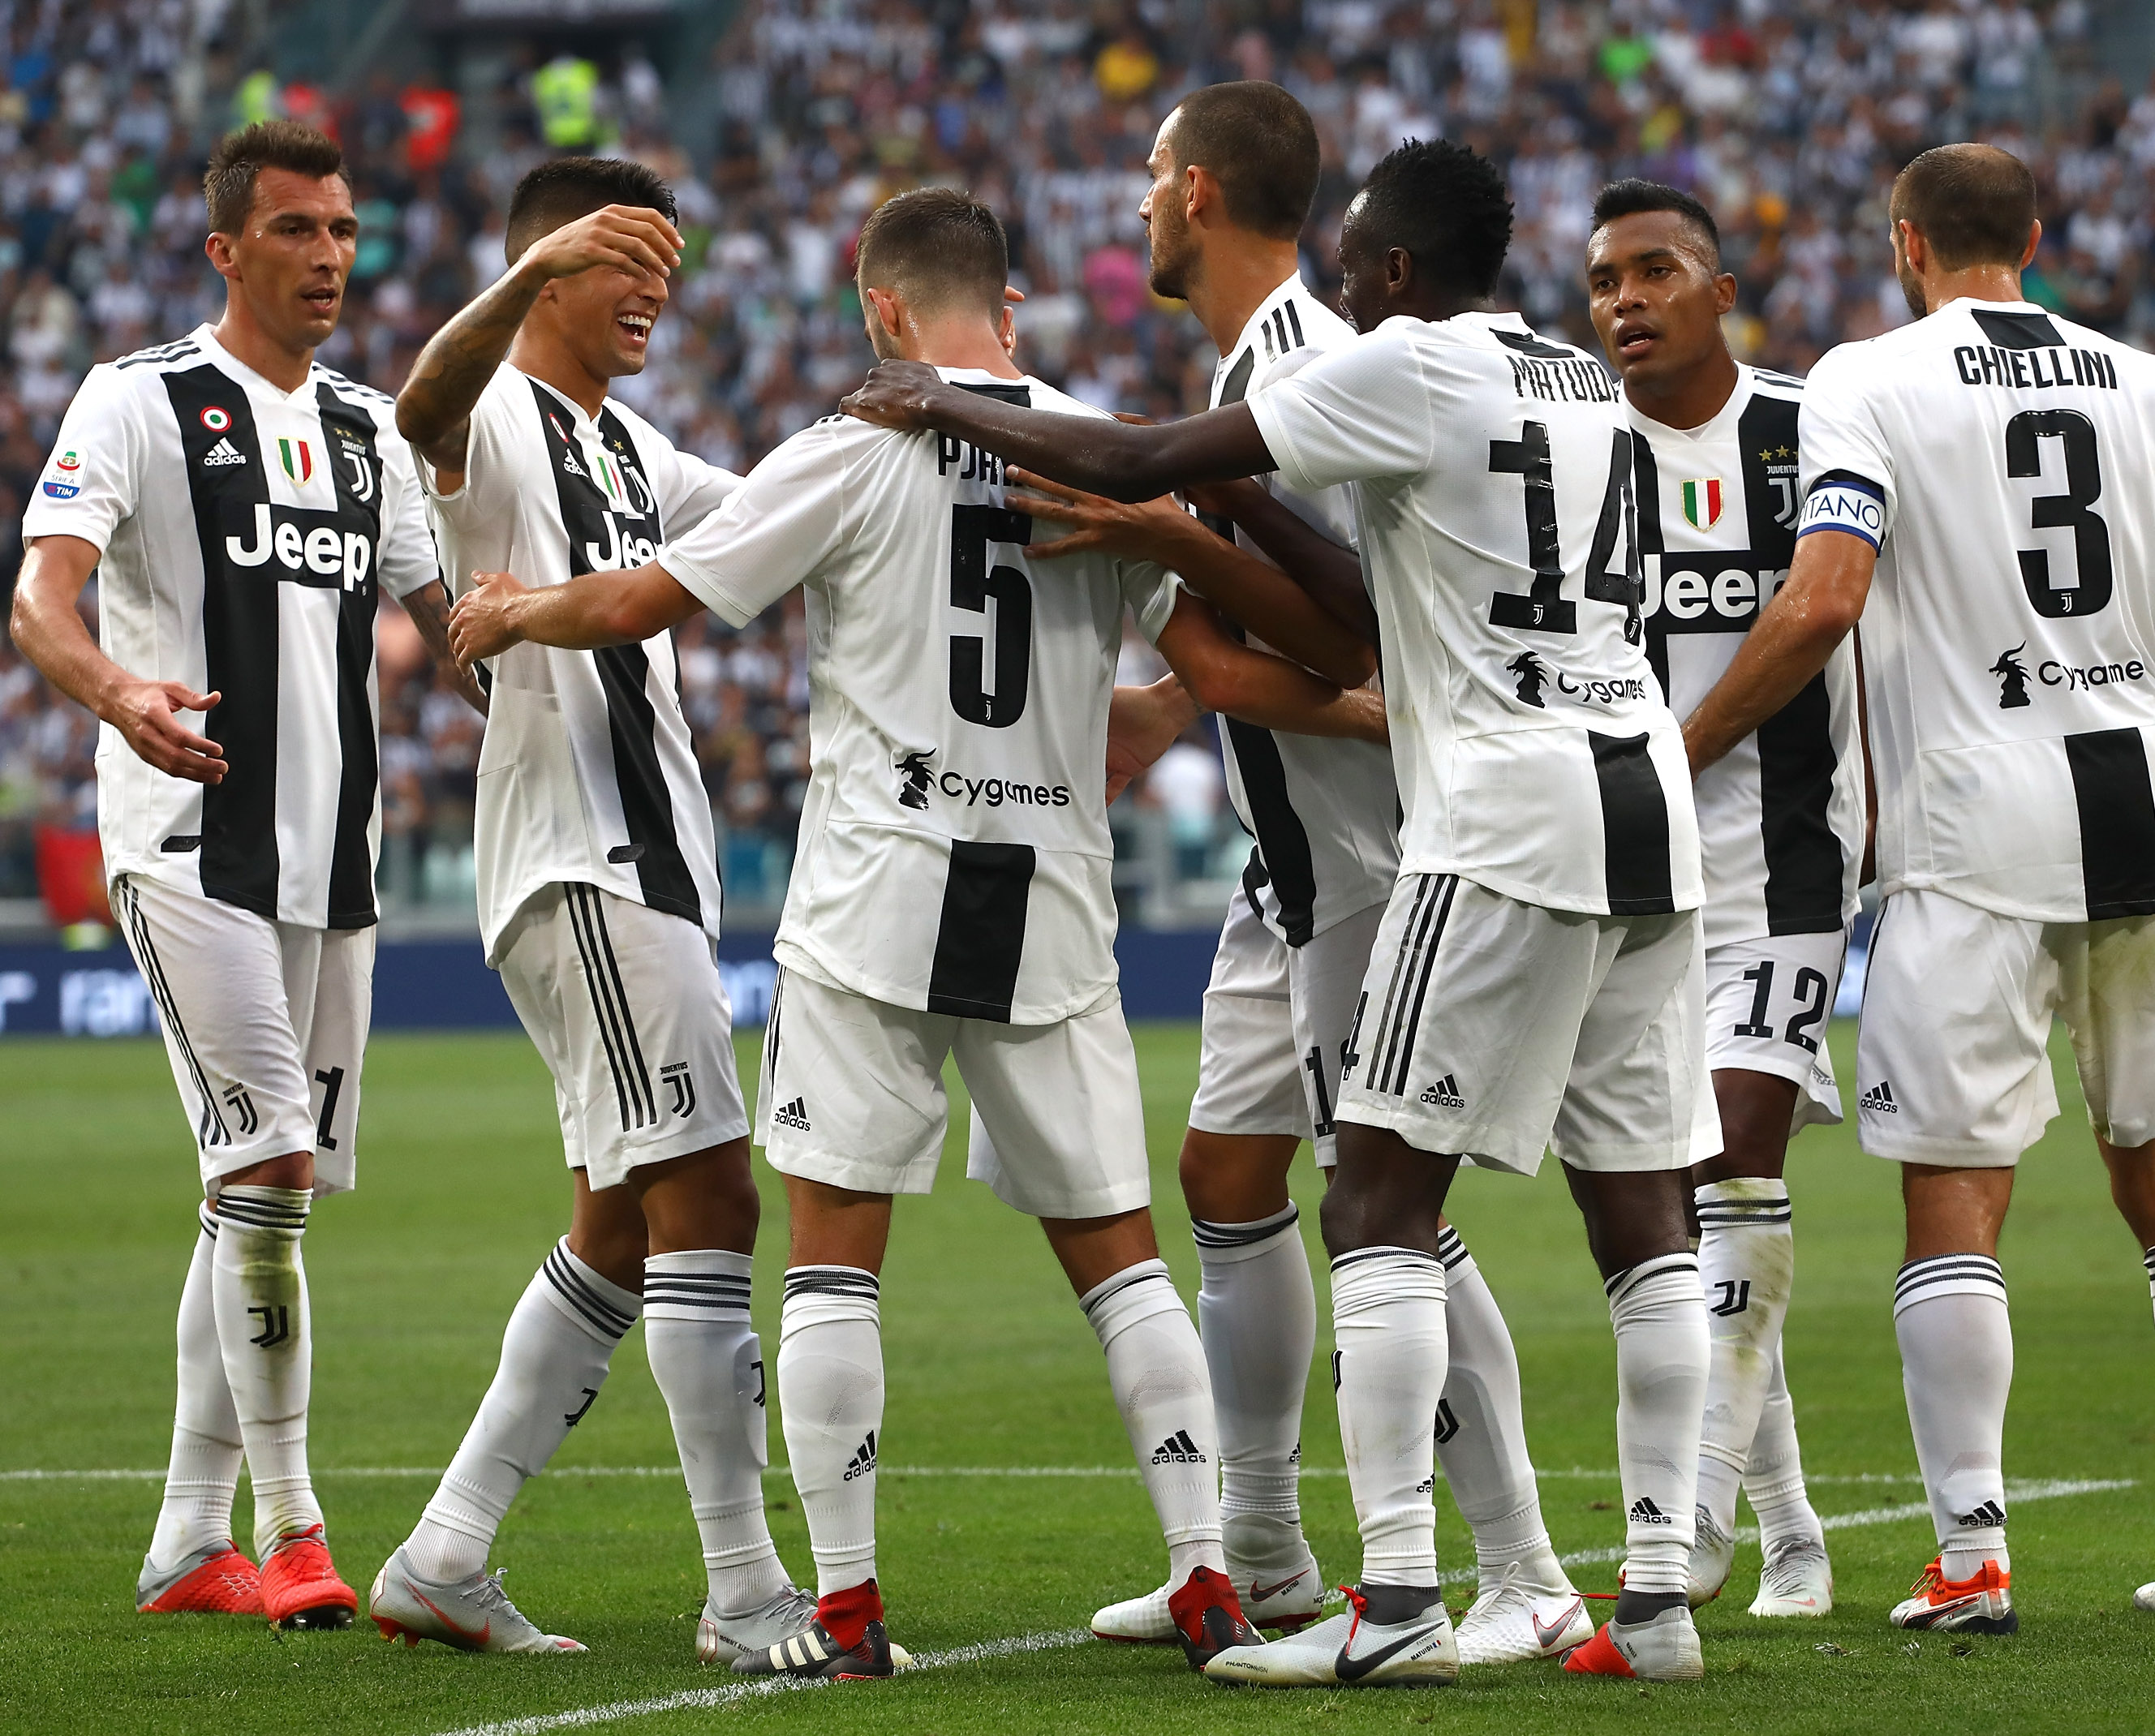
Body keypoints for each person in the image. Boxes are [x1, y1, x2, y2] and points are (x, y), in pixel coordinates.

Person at [449, 187, 1388, 1681]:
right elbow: (1210, 664)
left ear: (884, 313)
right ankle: (1207, 1569)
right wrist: (1351, 705)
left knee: (835, 1252)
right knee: (1119, 1254)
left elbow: (647, 599)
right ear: (1006, 310)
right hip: (1051, 891)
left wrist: (515, 614)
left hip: (876, 890)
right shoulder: (1093, 447)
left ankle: (847, 1600)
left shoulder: (853, 445)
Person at [841, 139, 1720, 1687]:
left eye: (1153, 170)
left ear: (1378, 267)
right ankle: (1490, 1581)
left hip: (1450, 835)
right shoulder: (1582, 386)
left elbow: (1224, 534)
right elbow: (1359, 573)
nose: (1340, 274)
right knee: (1389, 1185)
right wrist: (1193, 638)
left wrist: (935, 400)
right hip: (1617, 787)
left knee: (1384, 1203)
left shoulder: (1366, 364)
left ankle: (1449, 1591)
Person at [1681, 143, 2155, 1635]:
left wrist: (1681, 750)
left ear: (1907, 244)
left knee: (1957, 1200)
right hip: (2145, 818)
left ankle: (1973, 1556)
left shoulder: (1868, 379)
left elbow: (1828, 597)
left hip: (1973, 830)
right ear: (2040, 239)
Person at [1057, 81, 1591, 1667]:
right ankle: (1266, 1547)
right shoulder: (1266, 358)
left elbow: (1352, 625)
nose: (1141, 202)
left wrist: (1175, 590)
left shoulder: (1311, 362)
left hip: (1372, 851)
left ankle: (1518, 1563)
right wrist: (1180, 688)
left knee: (1391, 1201)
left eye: (1156, 176)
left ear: (1203, 193)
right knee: (1230, 1172)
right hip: (1285, 851)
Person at [9, 121, 473, 1630]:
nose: (330, 255)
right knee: (266, 1169)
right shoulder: (137, 401)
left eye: (343, 229)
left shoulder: (365, 428)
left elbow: (431, 620)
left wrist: (564, 632)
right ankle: (293, 1529)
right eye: (296, 231)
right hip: (187, 846)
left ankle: (183, 1541)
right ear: (227, 249)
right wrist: (118, 694)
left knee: (254, 1199)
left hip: (334, 864)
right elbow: (41, 600)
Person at [368, 157, 806, 1664]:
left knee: (620, 1227)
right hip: (581, 854)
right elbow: (415, 406)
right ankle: (745, 1587)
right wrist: (524, 264)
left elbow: (775, 526)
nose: (655, 292)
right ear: (548, 269)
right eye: (626, 262)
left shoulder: (630, 448)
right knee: (714, 1201)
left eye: (666, 267)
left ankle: (444, 1554)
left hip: (658, 862)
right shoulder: (485, 414)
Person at [1584, 178, 1858, 1619]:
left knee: (1736, 1164)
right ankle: (1793, 1526)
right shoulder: (1569, 448)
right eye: (1604, 282)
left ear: (1719, 290)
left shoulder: (1814, 427)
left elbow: (1845, 608)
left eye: (1654, 272)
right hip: (1630, 872)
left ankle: (1684, 1527)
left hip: (1787, 859)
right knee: (1680, 1200)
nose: (1624, 301)